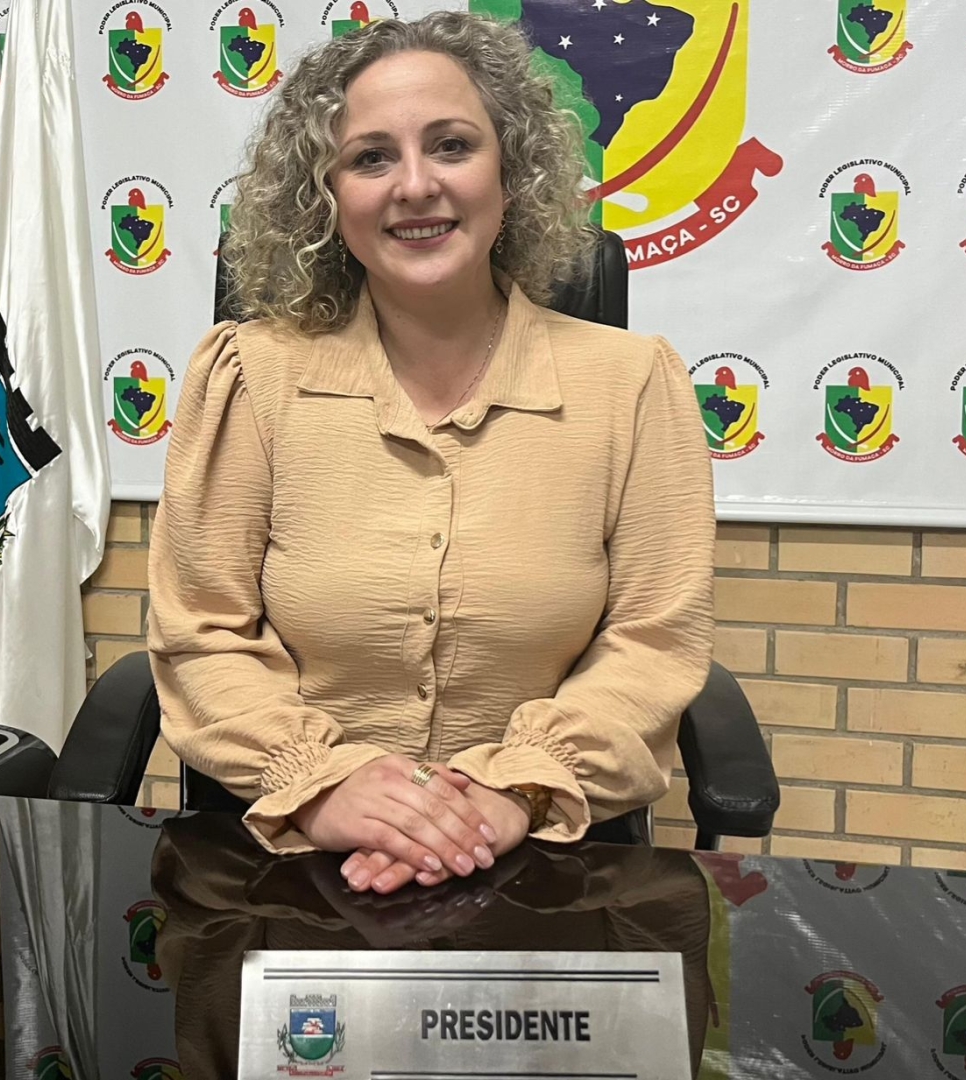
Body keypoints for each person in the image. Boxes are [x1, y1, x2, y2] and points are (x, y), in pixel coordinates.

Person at [147, 12, 714, 896]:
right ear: (325, 195)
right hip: (296, 868)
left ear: (511, 171)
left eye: (451, 145)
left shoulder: (633, 382)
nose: (415, 186)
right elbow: (202, 631)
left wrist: (516, 788)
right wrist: (322, 783)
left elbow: (651, 642)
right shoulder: (249, 377)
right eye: (371, 157)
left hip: (544, 866)